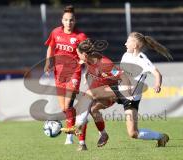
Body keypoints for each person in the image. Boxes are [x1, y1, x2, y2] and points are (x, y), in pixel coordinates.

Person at [90, 32, 172, 147]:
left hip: (131, 98)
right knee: (91, 100)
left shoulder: (143, 59)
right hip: (118, 90)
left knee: (133, 133)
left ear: (135, 45)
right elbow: (120, 73)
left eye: (128, 41)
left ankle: (161, 137)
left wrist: (157, 84)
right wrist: (108, 73)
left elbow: (157, 74)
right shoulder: (126, 55)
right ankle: (83, 128)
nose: (125, 43)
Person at [61, 38, 134, 148]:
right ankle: (103, 134)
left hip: (115, 91)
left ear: (85, 54)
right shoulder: (87, 59)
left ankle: (77, 127)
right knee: (93, 109)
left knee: (89, 94)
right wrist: (86, 75)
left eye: (78, 54)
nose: (77, 56)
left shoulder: (105, 64)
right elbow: (88, 67)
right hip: (102, 92)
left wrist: (127, 92)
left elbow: (122, 76)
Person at [44, 5, 88, 150]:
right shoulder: (55, 32)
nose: (69, 22)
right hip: (59, 73)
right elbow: (50, 46)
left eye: (71, 20)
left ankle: (69, 136)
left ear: (75, 21)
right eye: (66, 20)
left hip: (74, 73)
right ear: (62, 20)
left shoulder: (80, 36)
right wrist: (48, 63)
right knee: (64, 108)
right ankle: (78, 122)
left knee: (68, 104)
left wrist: (84, 59)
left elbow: (86, 51)